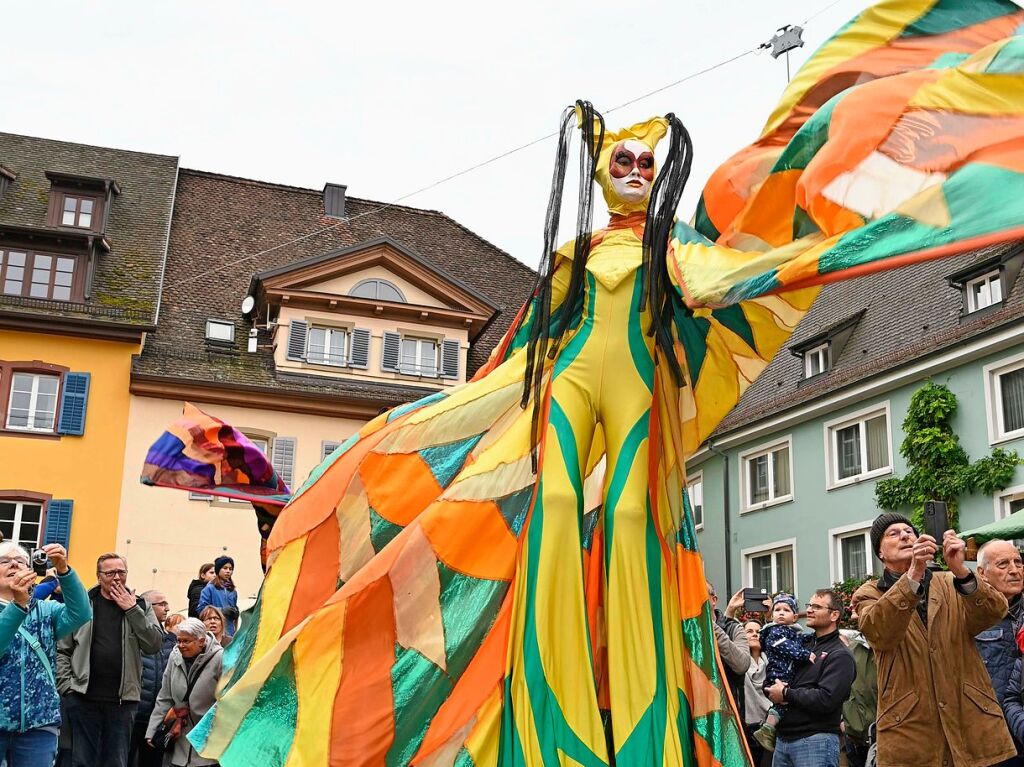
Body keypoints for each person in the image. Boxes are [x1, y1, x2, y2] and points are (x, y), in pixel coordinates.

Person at [149, 8, 1024, 762]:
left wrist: (816, 250)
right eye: (624, 159)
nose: (636, 170)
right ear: (601, 168)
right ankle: (545, 703)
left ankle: (636, 713)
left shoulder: (672, 248)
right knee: (557, 510)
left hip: (638, 394)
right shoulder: (572, 254)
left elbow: (722, 275)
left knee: (638, 518)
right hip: (565, 388)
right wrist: (447, 417)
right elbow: (521, 351)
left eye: (648, 160)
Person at [854, 512, 1016, 766]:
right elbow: (880, 633)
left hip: (970, 721)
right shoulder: (869, 593)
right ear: (880, 553)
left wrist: (961, 570)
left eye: (909, 531)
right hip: (910, 729)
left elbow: (995, 611)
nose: (905, 535)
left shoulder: (950, 581)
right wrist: (915, 573)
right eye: (893, 534)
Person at [58, 553, 164, 767]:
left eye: (121, 572)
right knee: (82, 761)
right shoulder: (82, 604)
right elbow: (62, 649)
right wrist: (67, 687)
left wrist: (131, 609)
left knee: (116, 762)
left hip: (123, 701)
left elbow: (153, 644)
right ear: (99, 577)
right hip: (82, 696)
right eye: (110, 573)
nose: (117, 578)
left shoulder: (141, 606)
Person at [0, 542, 91, 766]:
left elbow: (81, 613)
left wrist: (64, 570)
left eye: (21, 561)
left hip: (39, 724)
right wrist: (19, 606)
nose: (14, 564)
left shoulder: (45, 609)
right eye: (4, 561)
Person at [763, 589, 854, 767]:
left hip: (815, 741)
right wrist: (771, 688)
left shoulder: (840, 654)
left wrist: (786, 693)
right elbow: (773, 673)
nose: (809, 610)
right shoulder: (799, 644)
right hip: (782, 741)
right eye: (809, 605)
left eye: (817, 606)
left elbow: (826, 699)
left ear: (834, 614)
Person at [146, 618, 223, 767]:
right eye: (178, 641)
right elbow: (164, 697)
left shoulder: (220, 658)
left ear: (201, 641)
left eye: (186, 641)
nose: (181, 645)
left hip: (208, 739)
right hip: (178, 737)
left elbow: (226, 700)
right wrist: (152, 730)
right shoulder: (174, 657)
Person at [975, 539, 1024, 766]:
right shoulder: (970, 618)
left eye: (1018, 562)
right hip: (989, 742)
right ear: (982, 573)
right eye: (1003, 564)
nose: (1014, 570)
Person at [753, 594, 813, 751]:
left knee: (784, 703)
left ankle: (769, 729)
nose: (780, 613)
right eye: (777, 609)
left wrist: (812, 637)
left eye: (786, 610)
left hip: (785, 672)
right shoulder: (776, 632)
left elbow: (799, 641)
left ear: (794, 617)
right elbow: (785, 646)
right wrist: (805, 654)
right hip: (779, 673)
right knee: (782, 703)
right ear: (772, 615)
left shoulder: (790, 631)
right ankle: (767, 729)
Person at [130, 591, 177, 767]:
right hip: (134, 713)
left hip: (158, 717)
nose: (168, 608)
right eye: (162, 604)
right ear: (148, 607)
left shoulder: (170, 640)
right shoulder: (133, 636)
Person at [708, 582, 751, 722]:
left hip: (728, 717)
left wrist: (710, 627)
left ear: (713, 600)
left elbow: (742, 664)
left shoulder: (733, 629)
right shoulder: (687, 629)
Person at [841, 598, 876, 767]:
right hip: (855, 737)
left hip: (889, 735)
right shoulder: (852, 648)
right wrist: (843, 721)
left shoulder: (892, 644)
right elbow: (841, 688)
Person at [741, 620, 771, 767]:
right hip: (745, 730)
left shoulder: (773, 663)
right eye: (749, 631)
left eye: (758, 632)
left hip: (770, 730)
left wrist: (769, 613)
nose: (754, 634)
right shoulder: (738, 664)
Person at [196, 557, 237, 636]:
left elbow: (233, 609)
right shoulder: (209, 588)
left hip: (229, 632)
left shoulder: (232, 591)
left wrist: (235, 612)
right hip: (214, 633)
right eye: (225, 568)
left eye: (230, 569)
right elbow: (201, 610)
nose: (228, 571)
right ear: (218, 570)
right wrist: (221, 610)